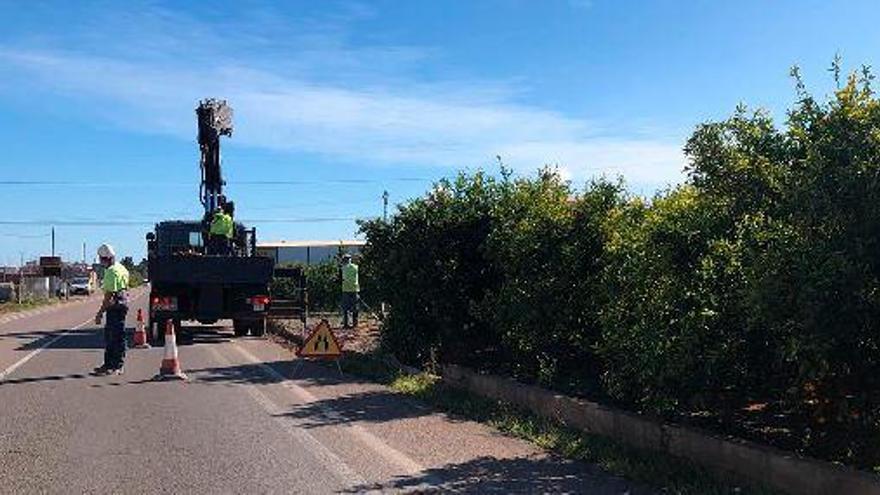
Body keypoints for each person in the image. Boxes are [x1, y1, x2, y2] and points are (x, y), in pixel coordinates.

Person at [93, 244, 130, 376]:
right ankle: (108, 364)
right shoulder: (121, 268)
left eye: (101, 259)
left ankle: (117, 365)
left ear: (105, 258)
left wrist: (99, 313)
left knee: (115, 337)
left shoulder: (111, 271)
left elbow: (108, 295)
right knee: (112, 335)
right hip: (122, 303)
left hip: (115, 306)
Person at [340, 253, 360, 329]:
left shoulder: (343, 268)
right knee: (355, 307)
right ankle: (355, 323)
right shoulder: (356, 267)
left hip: (346, 289)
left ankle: (346, 324)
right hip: (355, 289)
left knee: (345, 308)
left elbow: (342, 278)